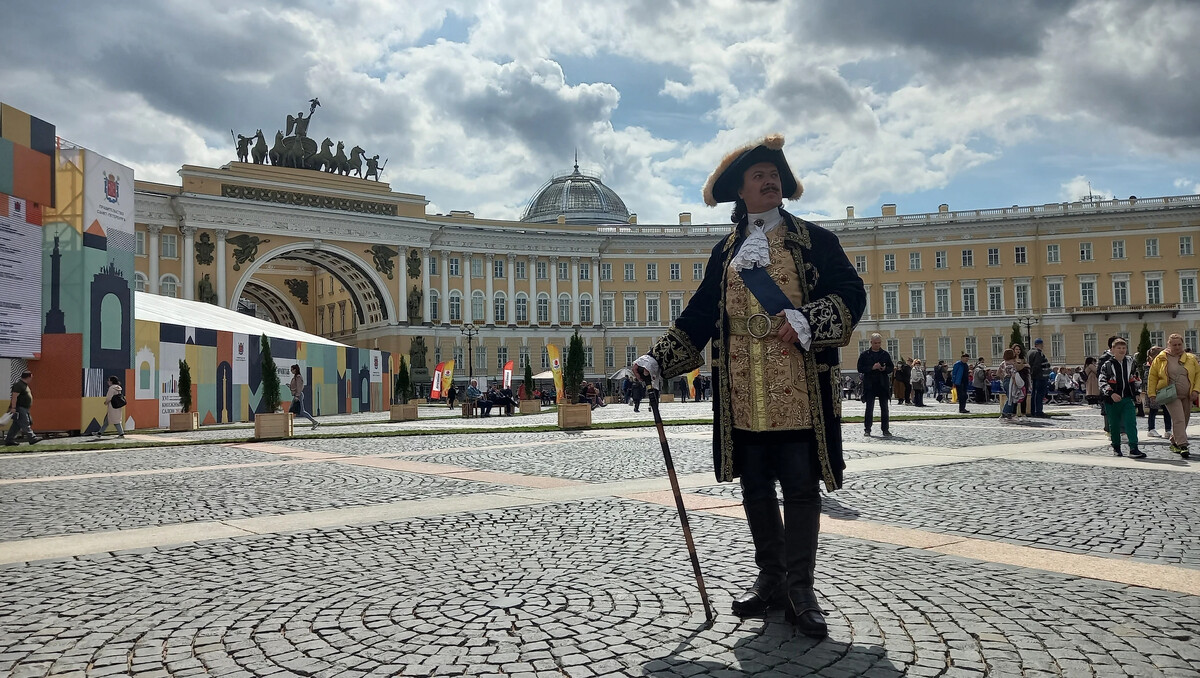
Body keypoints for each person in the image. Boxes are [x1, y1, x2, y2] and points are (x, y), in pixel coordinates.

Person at [633, 135, 865, 638]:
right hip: (743, 391)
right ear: (741, 190)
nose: (770, 180)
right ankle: (772, 582)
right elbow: (699, 316)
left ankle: (802, 589)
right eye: (758, 174)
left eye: (774, 173)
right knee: (756, 488)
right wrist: (657, 359)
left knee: (801, 489)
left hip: (799, 389)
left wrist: (808, 319)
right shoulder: (726, 252)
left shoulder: (814, 240)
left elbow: (851, 293)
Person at [1147, 333, 1199, 458]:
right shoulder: (1161, 358)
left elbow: (1198, 375)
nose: (1177, 347)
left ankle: (1174, 440)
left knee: (1185, 419)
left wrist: (1196, 390)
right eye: (1174, 345)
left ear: (1183, 344)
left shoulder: (1190, 358)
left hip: (1187, 394)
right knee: (1179, 418)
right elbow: (1152, 376)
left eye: (1179, 344)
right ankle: (1183, 445)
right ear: (1168, 345)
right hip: (1170, 393)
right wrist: (1152, 393)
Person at [1099, 337, 1144, 458]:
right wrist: (1110, 393)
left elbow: (1135, 378)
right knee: (1114, 425)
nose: (1122, 350)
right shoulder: (1107, 365)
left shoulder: (1130, 362)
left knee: (1131, 423)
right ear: (1112, 350)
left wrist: (1137, 393)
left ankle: (1134, 448)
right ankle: (1116, 447)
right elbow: (1102, 381)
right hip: (1112, 401)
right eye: (1118, 348)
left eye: (1124, 348)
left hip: (1127, 398)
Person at [858, 333, 894, 436]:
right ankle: (867, 429)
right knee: (869, 408)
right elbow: (860, 368)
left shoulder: (885, 354)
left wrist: (884, 369)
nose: (877, 345)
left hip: (882, 384)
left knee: (884, 408)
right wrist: (872, 368)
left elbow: (891, 367)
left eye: (879, 343)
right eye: (875, 343)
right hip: (870, 384)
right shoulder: (865, 354)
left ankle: (885, 429)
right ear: (871, 342)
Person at [5, 371, 40, 446]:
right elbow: (14, 397)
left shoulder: (24, 385)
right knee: (25, 423)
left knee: (16, 425)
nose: (31, 379)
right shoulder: (19, 385)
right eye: (31, 377)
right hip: (20, 408)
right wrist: (13, 407)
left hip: (24, 408)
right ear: (28, 376)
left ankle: (9, 440)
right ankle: (32, 438)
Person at [1144, 346, 1172, 439]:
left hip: (1163, 390)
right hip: (1154, 391)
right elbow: (1148, 380)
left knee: (1167, 410)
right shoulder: (1149, 366)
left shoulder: (1163, 364)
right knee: (1153, 410)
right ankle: (1151, 429)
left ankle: (1168, 429)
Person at [92, 375, 126, 439]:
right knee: (107, 421)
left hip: (112, 406)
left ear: (111, 381)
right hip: (117, 406)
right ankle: (99, 433)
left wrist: (106, 402)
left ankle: (121, 434)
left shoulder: (111, 388)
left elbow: (109, 397)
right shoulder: (118, 388)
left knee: (115, 421)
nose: (108, 382)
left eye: (109, 380)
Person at [288, 365, 319, 430]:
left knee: (299, 411)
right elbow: (296, 386)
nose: (291, 371)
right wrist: (290, 386)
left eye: (292, 370)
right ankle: (314, 422)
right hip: (296, 395)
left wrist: (297, 396)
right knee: (295, 411)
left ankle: (314, 422)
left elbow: (299, 387)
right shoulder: (295, 377)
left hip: (298, 396)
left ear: (295, 370)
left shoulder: (298, 377)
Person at [1026, 339, 1050, 417]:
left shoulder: (1030, 352)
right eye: (1042, 344)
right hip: (1040, 376)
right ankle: (1038, 411)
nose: (1043, 346)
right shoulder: (1038, 353)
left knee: (1034, 393)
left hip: (1036, 376)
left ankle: (1033, 410)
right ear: (1038, 344)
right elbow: (1037, 365)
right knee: (1039, 394)